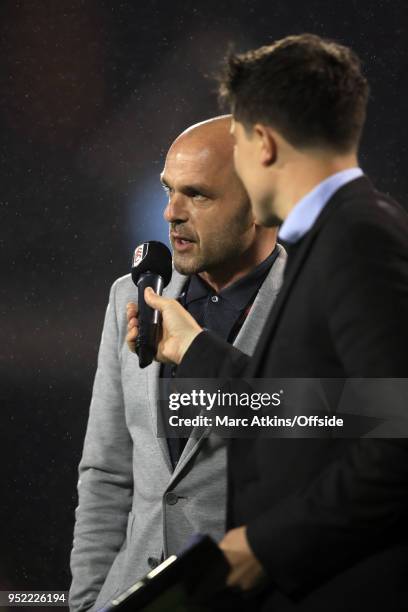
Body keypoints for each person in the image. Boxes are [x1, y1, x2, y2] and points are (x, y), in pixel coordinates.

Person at [136, 35, 408, 610]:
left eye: (233, 143)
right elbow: (329, 416)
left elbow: (397, 441)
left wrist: (263, 545)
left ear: (261, 142)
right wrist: (199, 353)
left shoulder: (358, 238)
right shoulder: (338, 234)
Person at [69, 115, 286, 611]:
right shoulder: (132, 293)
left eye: (198, 195)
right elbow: (107, 471)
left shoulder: (318, 296)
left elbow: (352, 435)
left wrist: (197, 354)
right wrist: (86, 603)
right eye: (168, 189)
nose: (170, 212)